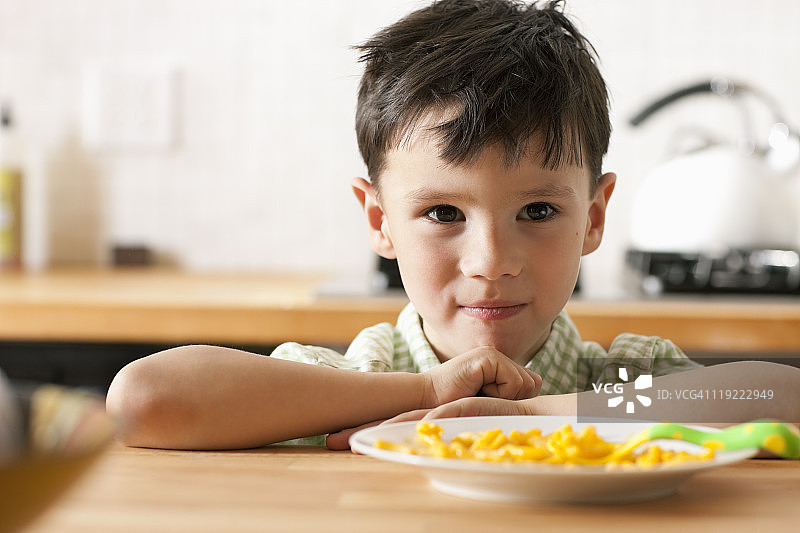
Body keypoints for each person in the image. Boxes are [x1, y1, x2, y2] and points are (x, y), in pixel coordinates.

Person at [106, 0, 799, 451]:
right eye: (443, 213)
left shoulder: (621, 382)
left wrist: (531, 414)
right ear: (380, 221)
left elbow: (785, 400)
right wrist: (426, 391)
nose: (491, 260)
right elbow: (142, 400)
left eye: (537, 211)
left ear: (593, 217)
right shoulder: (348, 383)